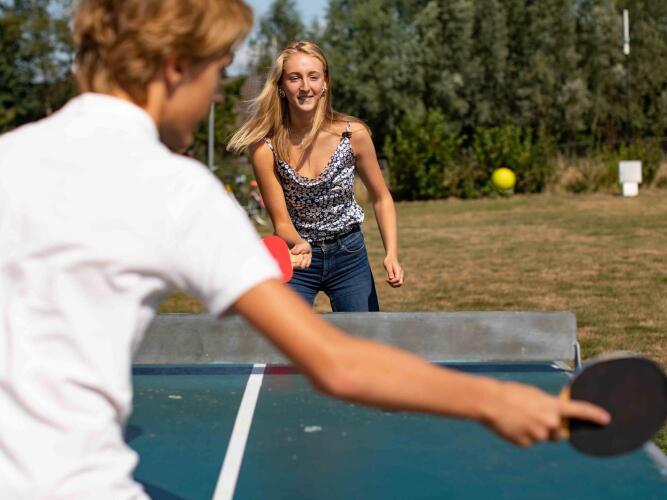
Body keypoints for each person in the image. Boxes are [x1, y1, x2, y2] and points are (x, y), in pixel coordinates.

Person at [0, 1, 609, 498]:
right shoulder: (175, 187)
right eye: (216, 75)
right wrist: (498, 400)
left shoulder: (10, 157)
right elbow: (337, 362)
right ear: (174, 68)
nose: (215, 98)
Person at [227, 41, 403, 312]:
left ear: (325, 83)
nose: (305, 86)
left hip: (349, 256)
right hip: (297, 258)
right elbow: (281, 222)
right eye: (294, 78)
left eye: (313, 76)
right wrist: (299, 243)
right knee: (286, 338)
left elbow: (382, 198)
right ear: (281, 86)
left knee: (360, 337)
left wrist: (391, 253)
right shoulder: (264, 148)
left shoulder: (353, 135)